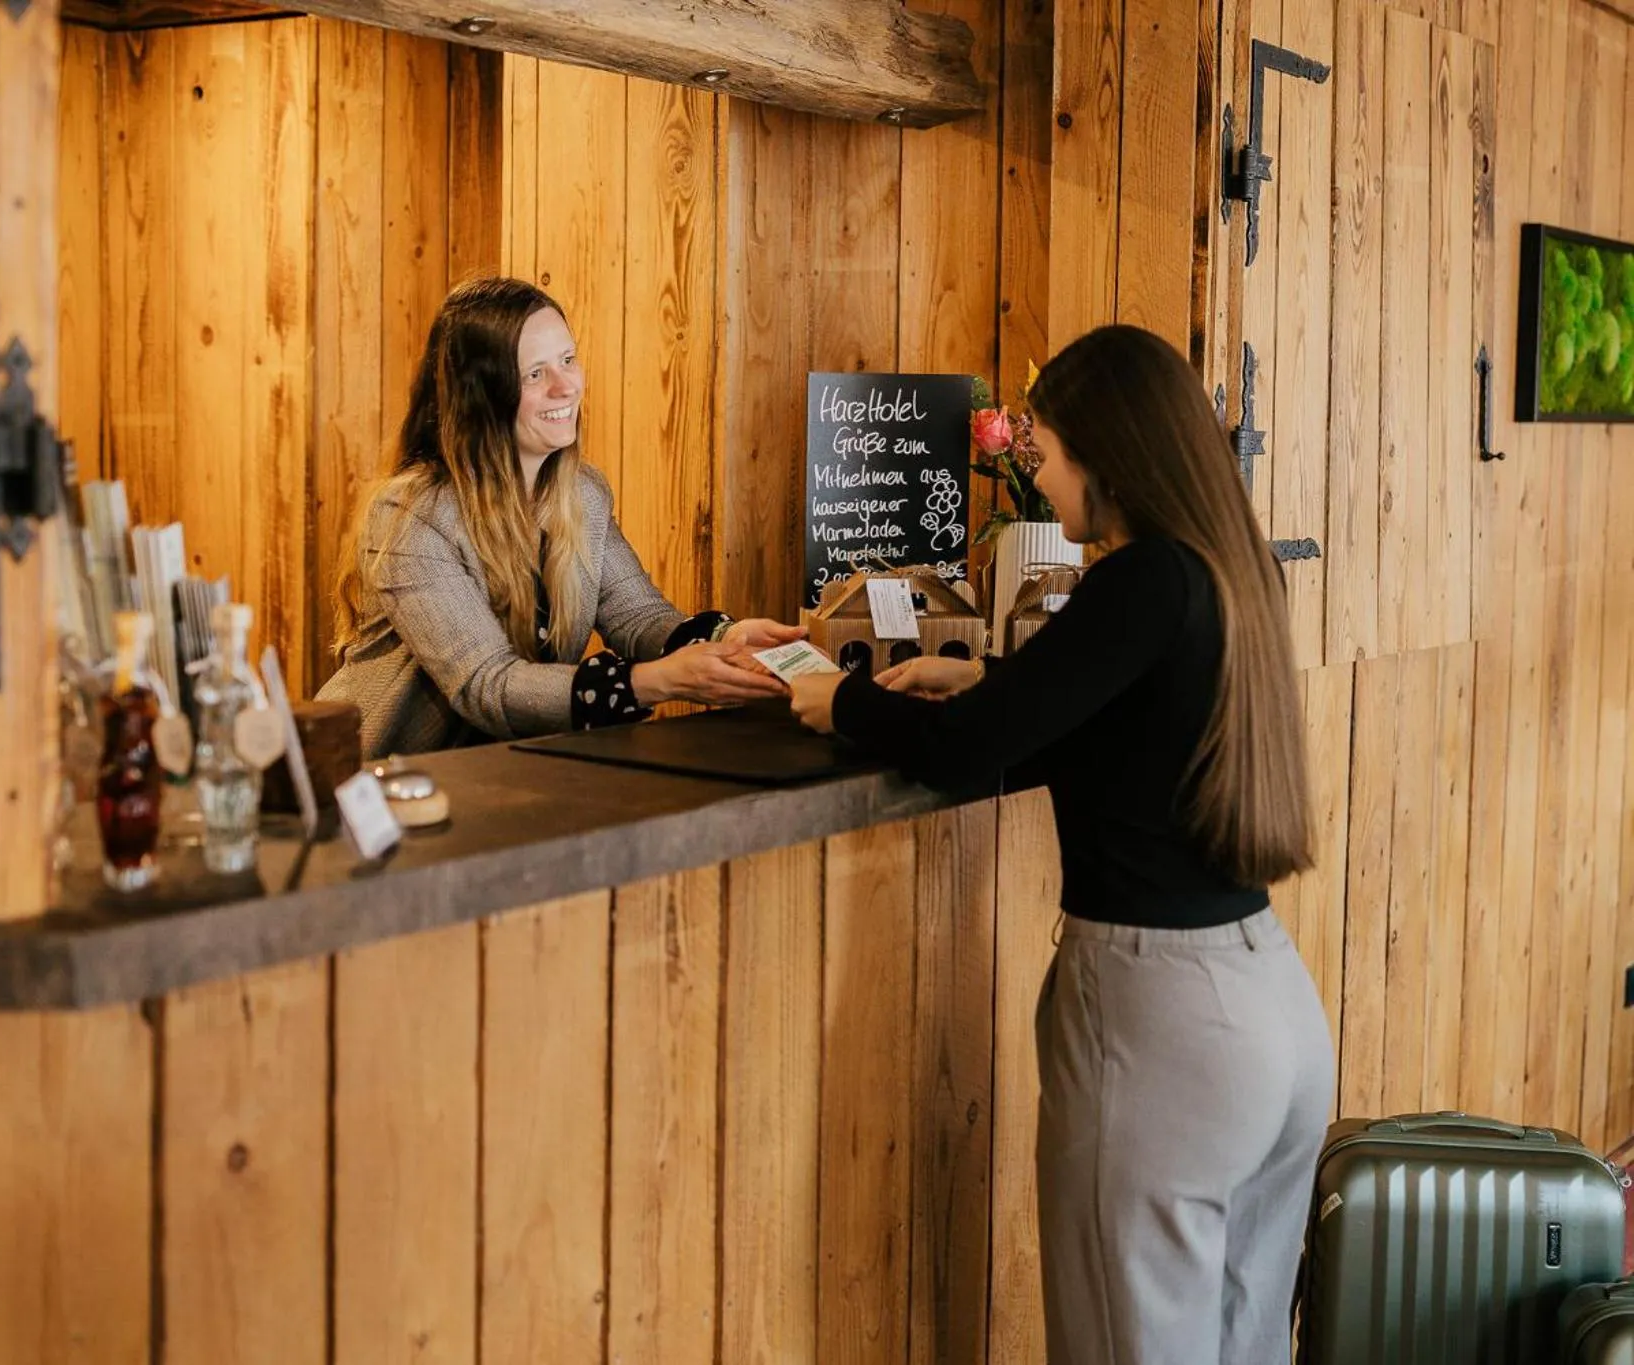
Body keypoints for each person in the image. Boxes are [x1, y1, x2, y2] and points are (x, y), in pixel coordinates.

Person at [790, 325, 1332, 1365]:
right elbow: (1107, 732)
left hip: (1160, 1022)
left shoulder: (1138, 580)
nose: (1034, 476)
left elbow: (963, 753)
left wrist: (841, 698)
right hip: (1269, 1010)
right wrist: (986, 684)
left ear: (1108, 453)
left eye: (1043, 453)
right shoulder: (1225, 573)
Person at [320, 276, 803, 760]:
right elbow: (487, 686)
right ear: (481, 395)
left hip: (509, 777)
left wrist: (723, 638)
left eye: (568, 361)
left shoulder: (583, 494)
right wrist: (651, 682)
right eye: (534, 374)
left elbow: (637, 617)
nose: (565, 385)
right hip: (377, 785)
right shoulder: (411, 516)